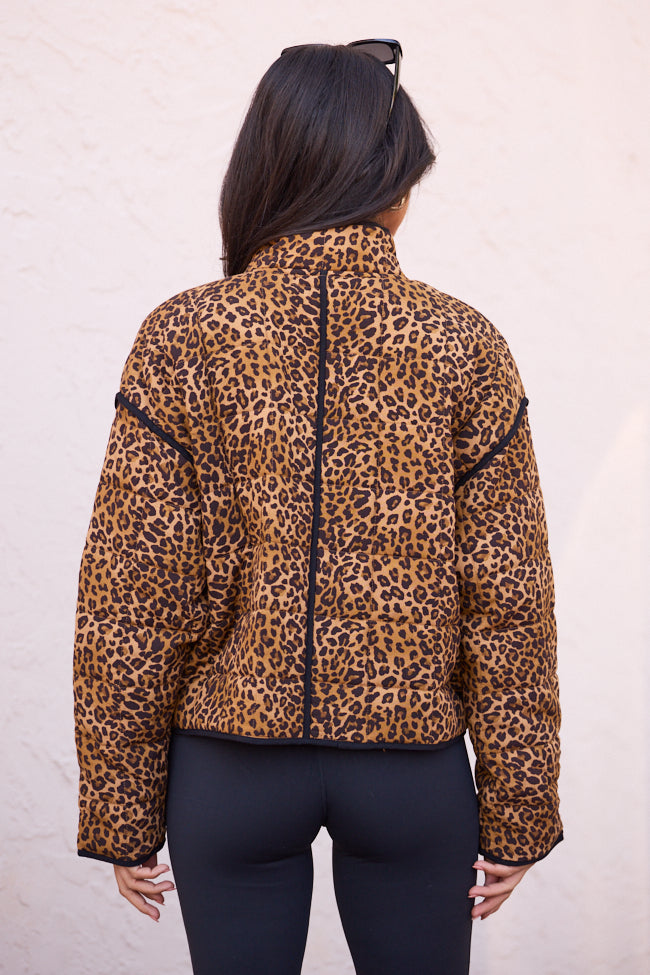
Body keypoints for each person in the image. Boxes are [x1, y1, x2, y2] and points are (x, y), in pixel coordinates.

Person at [73, 39, 563, 975]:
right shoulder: (465, 343)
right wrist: (519, 809)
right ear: (389, 186)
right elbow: (509, 597)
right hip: (410, 770)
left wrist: (122, 810)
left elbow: (131, 591)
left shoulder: (184, 335)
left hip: (229, 768)